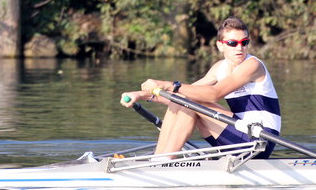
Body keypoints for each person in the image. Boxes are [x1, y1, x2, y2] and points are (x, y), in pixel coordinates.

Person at [120, 16, 281, 159]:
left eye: (244, 42)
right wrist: (140, 95)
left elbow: (214, 94)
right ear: (220, 45)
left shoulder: (252, 65)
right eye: (232, 43)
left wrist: (168, 84)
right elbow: (178, 95)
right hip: (239, 135)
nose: (240, 48)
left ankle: (163, 161)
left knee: (188, 98)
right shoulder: (219, 68)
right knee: (182, 99)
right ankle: (159, 157)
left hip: (260, 140)